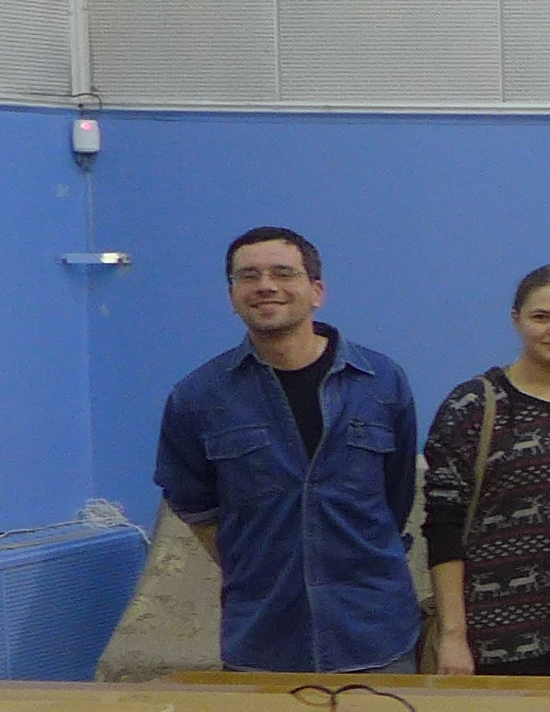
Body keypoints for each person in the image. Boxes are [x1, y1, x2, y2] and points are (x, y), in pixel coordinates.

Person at [154, 226, 423, 673]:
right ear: (232, 295)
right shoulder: (198, 397)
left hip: (375, 635)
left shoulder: (381, 382)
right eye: (248, 276)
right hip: (263, 639)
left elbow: (397, 494)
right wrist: (255, 562)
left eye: (283, 273)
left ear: (316, 291)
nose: (266, 286)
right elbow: (193, 504)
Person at [422, 264, 550, 677]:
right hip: (492, 639)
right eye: (541, 317)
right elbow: (443, 525)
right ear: (516, 319)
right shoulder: (474, 404)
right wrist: (453, 635)